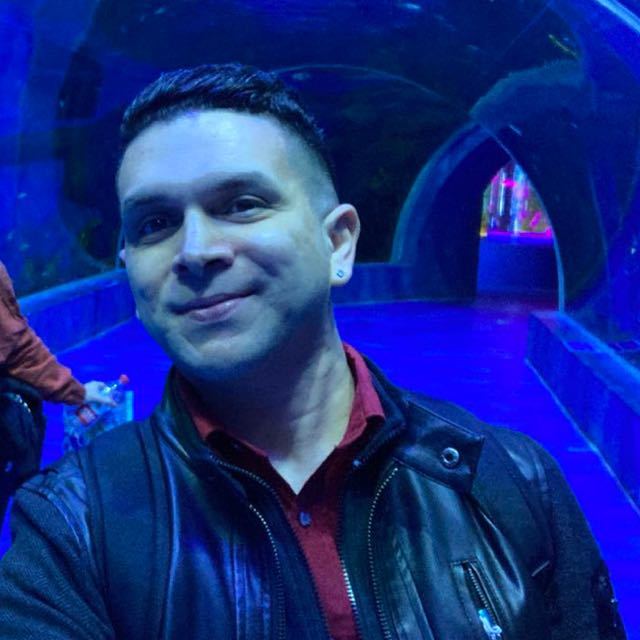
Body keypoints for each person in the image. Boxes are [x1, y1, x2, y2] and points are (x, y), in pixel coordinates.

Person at [0, 64, 626, 639]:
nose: (195, 252)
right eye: (154, 224)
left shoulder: (512, 484)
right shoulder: (69, 528)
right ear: (130, 270)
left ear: (339, 244)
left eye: (241, 204)